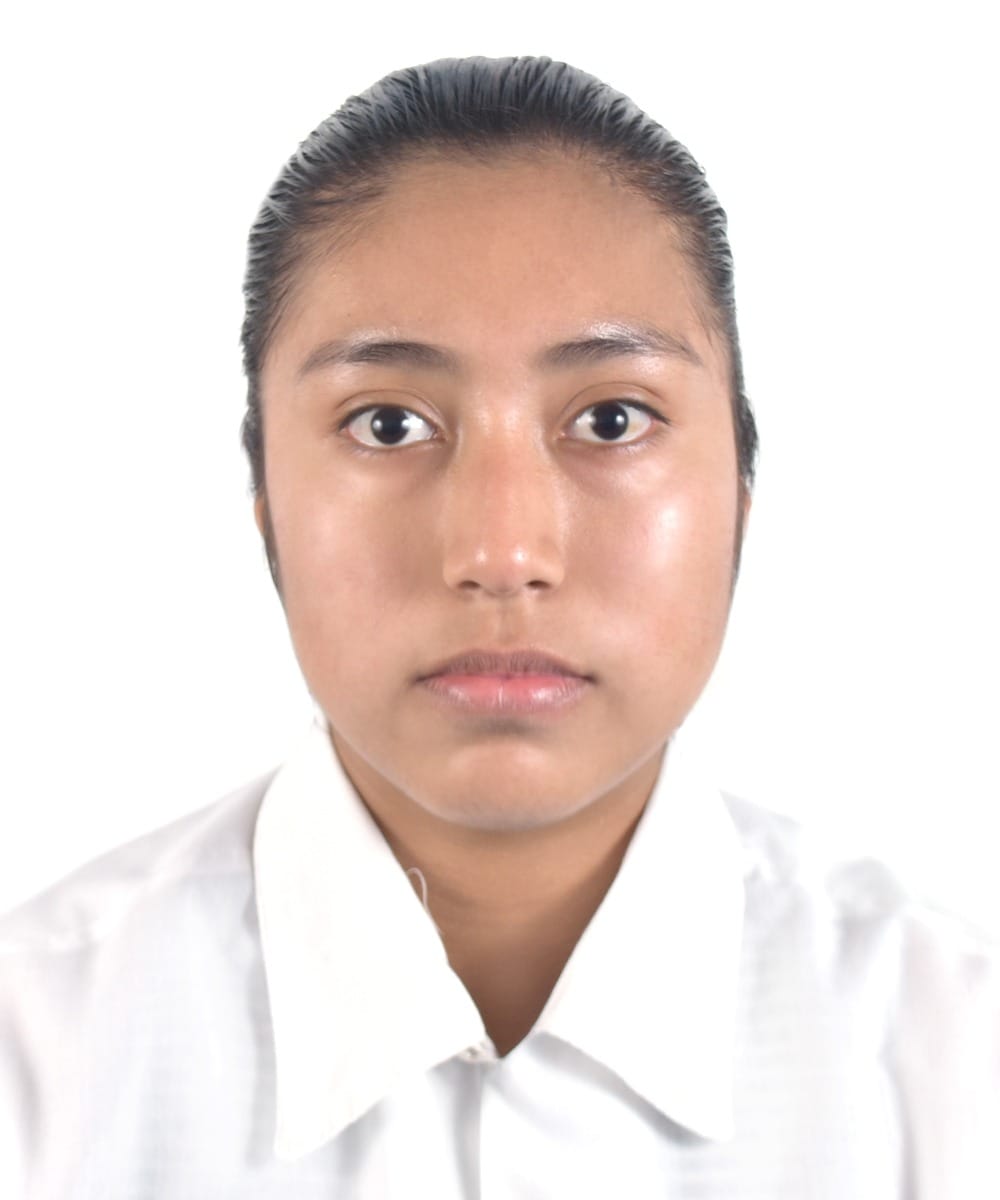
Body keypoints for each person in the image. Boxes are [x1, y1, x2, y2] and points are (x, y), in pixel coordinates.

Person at [0, 55, 996, 1198]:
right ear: (264, 494)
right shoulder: (38, 1071)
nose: (502, 552)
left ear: (740, 488)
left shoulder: (958, 1069)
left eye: (610, 418)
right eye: (386, 424)